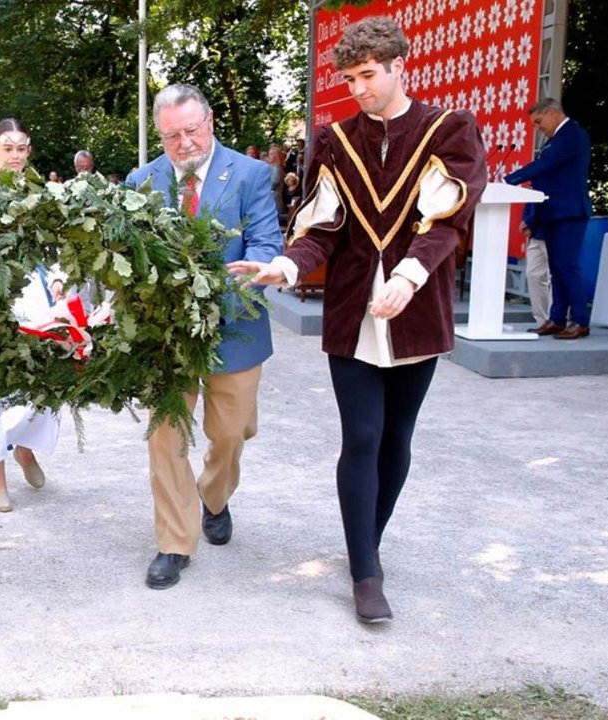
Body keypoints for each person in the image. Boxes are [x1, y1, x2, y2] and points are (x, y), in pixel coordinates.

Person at [228, 16, 486, 623]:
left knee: (398, 437)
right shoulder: (335, 141)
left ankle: (368, 541)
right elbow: (320, 228)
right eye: (349, 77)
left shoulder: (449, 129)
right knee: (362, 435)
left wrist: (408, 277)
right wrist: (286, 268)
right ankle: (364, 572)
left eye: (368, 75)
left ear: (400, 66)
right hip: (352, 312)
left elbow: (447, 221)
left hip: (416, 308)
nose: (358, 88)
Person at [125, 84, 282, 590]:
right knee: (164, 438)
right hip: (166, 338)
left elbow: (264, 241)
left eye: (191, 129)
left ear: (210, 121)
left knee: (231, 433)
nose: (184, 142)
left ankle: (214, 496)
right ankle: (174, 542)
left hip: (234, 328)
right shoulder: (141, 180)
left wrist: (237, 283)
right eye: (172, 135)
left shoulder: (251, 174)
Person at [0, 118, 60, 512]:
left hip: (35, 296)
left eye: (22, 148)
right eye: (8, 148)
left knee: (39, 378)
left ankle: (25, 448)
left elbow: (56, 245)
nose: (16, 155)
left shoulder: (42, 193)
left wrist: (57, 280)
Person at [504, 98, 592, 340]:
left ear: (552, 113)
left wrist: (508, 180)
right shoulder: (555, 139)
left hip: (570, 212)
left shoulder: (572, 135)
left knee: (566, 266)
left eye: (539, 122)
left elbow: (545, 166)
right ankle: (556, 319)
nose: (537, 128)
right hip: (553, 213)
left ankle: (580, 321)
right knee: (556, 269)